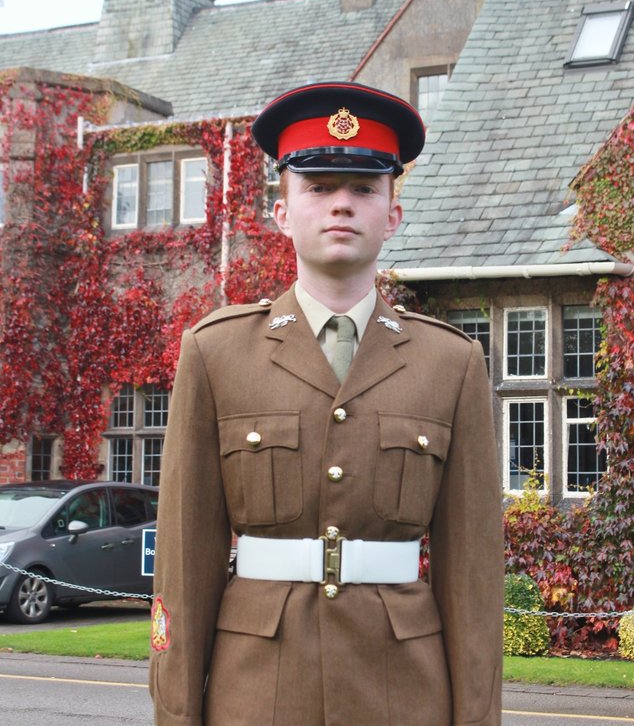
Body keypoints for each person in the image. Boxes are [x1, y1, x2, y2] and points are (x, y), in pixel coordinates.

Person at [150, 81, 504, 726]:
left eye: (364, 189)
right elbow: (184, 555)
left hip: (404, 689)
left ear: (392, 215)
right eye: (317, 187)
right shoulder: (216, 353)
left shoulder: (450, 363)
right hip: (256, 689)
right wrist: (177, 714)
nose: (341, 204)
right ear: (282, 211)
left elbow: (473, 573)